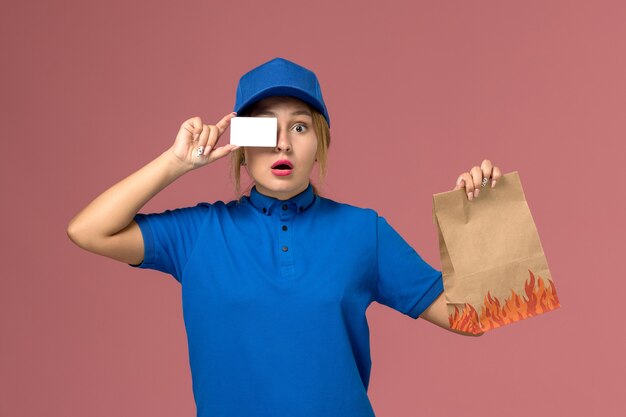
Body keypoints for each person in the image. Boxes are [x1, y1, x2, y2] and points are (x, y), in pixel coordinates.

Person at [67, 57, 502, 417]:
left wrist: (481, 218)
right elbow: (88, 231)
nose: (282, 144)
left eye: (299, 127)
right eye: (264, 128)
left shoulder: (362, 231)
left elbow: (475, 319)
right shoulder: (199, 233)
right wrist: (175, 163)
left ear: (320, 142)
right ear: (241, 142)